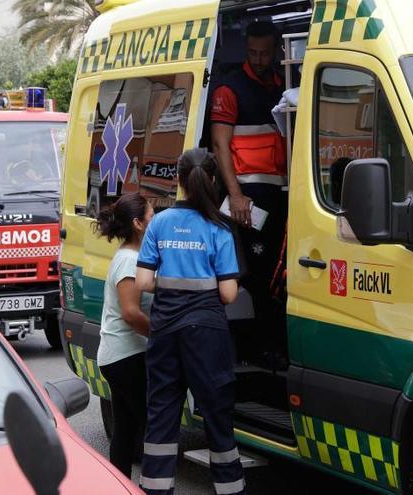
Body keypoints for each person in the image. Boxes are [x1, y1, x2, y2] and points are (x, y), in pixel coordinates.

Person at [136, 148, 244, 495]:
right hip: (206, 332)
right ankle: (229, 489)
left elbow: (143, 282)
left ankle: (155, 488)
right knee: (216, 414)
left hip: (164, 329)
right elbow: (228, 295)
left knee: (162, 412)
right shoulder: (219, 228)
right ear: (211, 180)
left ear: (179, 181)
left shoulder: (160, 223)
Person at [210, 20, 288, 363]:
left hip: (281, 191)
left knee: (278, 269)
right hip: (249, 197)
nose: (258, 59)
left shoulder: (282, 83)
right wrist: (236, 194)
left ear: (276, 50)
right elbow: (219, 144)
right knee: (260, 273)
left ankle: (275, 343)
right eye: (253, 52)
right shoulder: (229, 90)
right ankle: (263, 348)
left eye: (265, 53)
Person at [93, 193, 154, 478]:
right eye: (151, 217)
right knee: (153, 428)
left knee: (126, 430)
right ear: (138, 224)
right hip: (127, 356)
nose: (155, 223)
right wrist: (161, 335)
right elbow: (131, 313)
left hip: (116, 355)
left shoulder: (129, 256)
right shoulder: (130, 261)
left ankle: (119, 484)